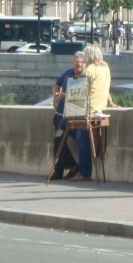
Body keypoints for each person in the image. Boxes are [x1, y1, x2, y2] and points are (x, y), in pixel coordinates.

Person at [68, 44, 116, 182]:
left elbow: (78, 89)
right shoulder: (106, 68)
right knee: (79, 135)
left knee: (68, 127)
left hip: (88, 111)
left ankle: (84, 172)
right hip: (100, 109)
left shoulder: (89, 70)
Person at [50, 51, 85, 180]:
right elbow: (58, 84)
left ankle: (74, 166)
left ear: (85, 64)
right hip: (60, 114)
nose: (79, 65)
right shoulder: (67, 73)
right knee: (58, 141)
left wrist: (65, 95)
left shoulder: (85, 77)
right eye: (77, 63)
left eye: (81, 62)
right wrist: (55, 98)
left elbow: (81, 97)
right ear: (73, 63)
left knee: (64, 140)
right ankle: (60, 171)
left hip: (74, 116)